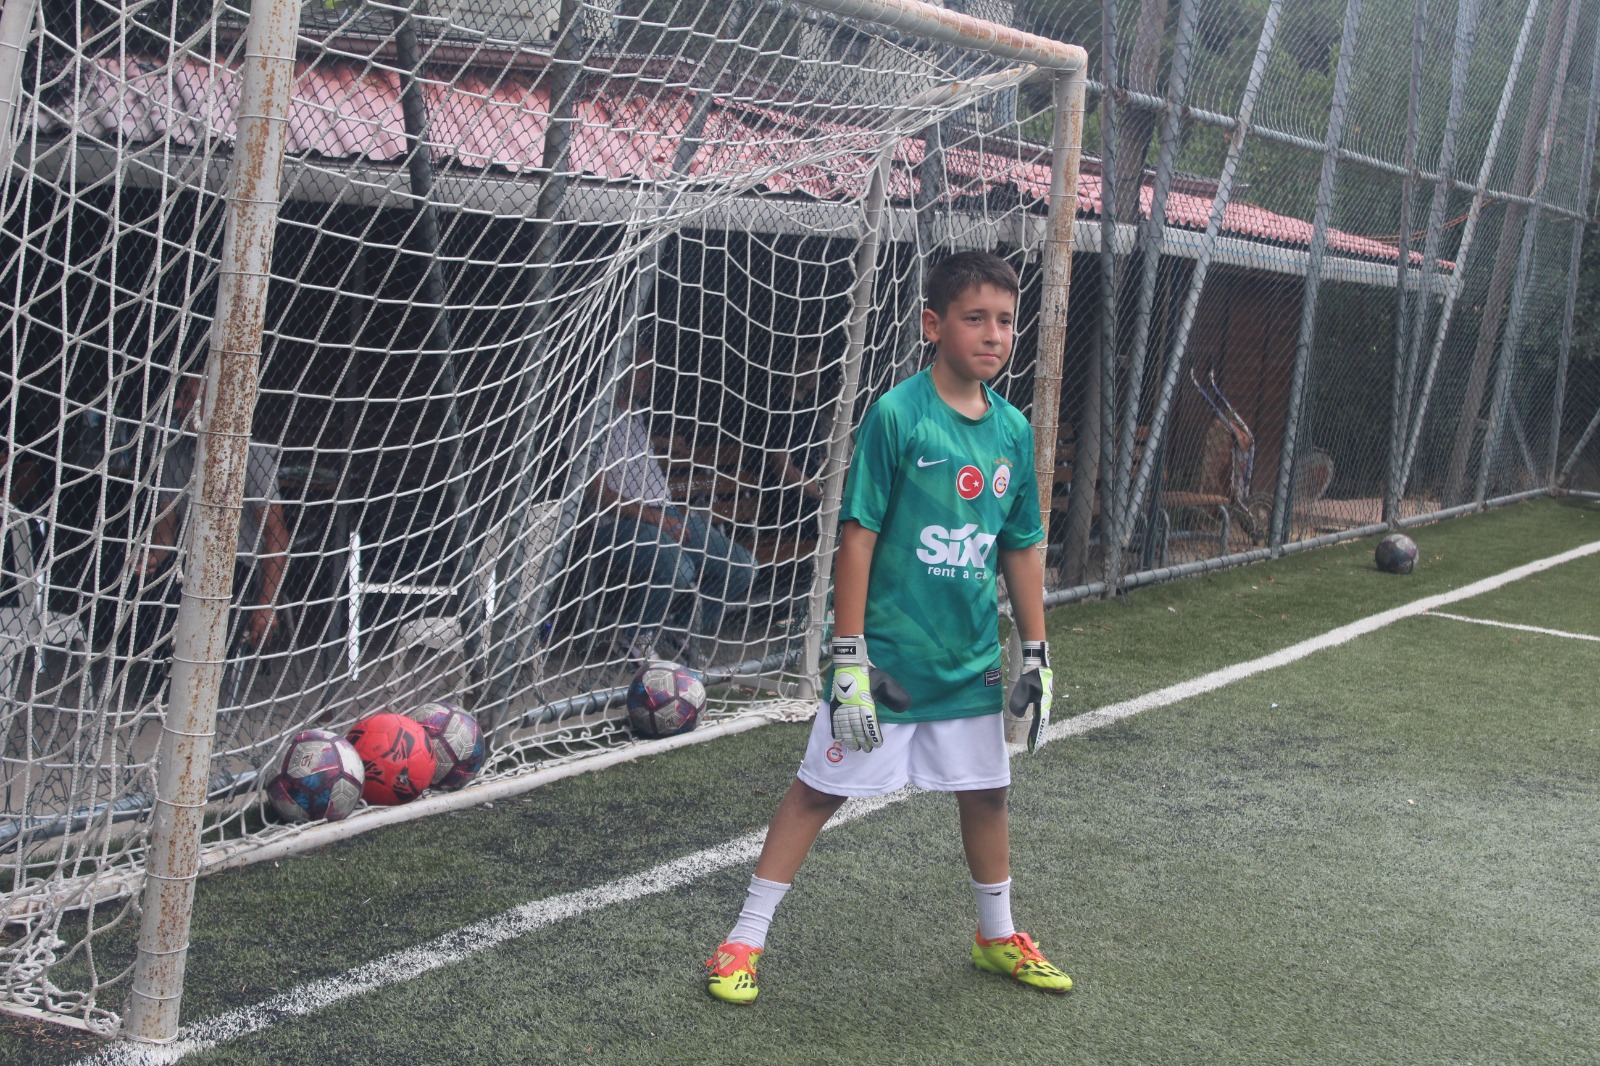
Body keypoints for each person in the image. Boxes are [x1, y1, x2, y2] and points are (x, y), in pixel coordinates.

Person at [703, 251, 1069, 1004]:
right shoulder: (898, 415)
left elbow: (1021, 546)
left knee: (988, 792)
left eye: (1006, 321)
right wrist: (848, 657)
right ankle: (742, 940)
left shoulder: (1012, 431)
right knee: (817, 792)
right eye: (975, 318)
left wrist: (1035, 652)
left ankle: (997, 937)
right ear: (933, 324)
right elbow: (858, 536)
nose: (994, 335)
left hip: (969, 662)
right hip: (888, 665)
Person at [587, 347, 755, 665]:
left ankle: (681, 629)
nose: (647, 377)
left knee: (742, 566)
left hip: (668, 513)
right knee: (680, 569)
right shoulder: (593, 418)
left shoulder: (635, 412)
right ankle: (634, 635)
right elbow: (597, 494)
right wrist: (656, 518)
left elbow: (631, 448)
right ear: (619, 368)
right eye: (641, 369)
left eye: (650, 370)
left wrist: (664, 444)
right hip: (619, 525)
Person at [142, 372, 290, 659]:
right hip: (187, 562)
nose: (178, 407)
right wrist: (149, 560)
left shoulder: (251, 456)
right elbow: (165, 532)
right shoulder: (174, 455)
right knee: (151, 594)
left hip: (239, 567)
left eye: (188, 397)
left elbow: (277, 534)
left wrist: (266, 603)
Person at [759, 346, 832, 542]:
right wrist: (822, 494)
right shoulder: (777, 408)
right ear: (789, 366)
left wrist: (835, 488)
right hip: (788, 502)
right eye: (807, 365)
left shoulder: (809, 410)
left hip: (813, 495)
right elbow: (784, 470)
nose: (813, 373)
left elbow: (818, 460)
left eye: (818, 366)